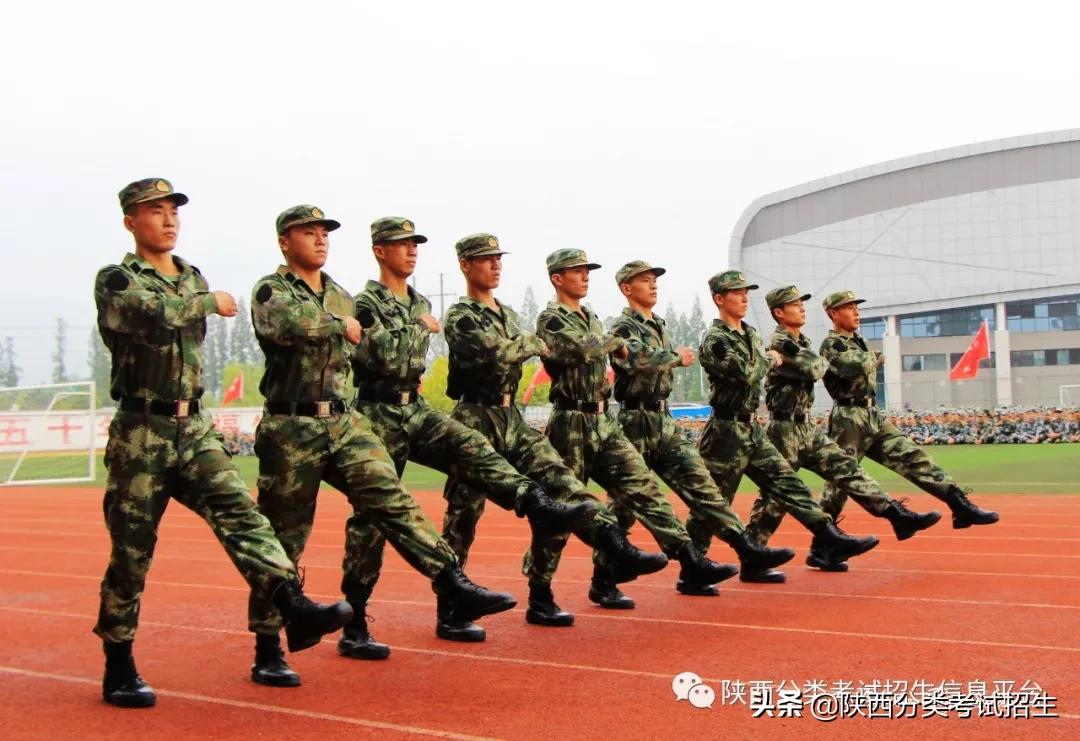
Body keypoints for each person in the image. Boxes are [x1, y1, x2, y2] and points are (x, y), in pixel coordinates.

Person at [94, 181, 353, 708]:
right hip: (141, 431)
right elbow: (147, 311)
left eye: (172, 212)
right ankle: (118, 662)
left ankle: (291, 605)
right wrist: (205, 302)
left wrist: (199, 297)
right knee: (132, 552)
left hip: (194, 427)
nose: (168, 221)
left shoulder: (190, 276)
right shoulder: (117, 278)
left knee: (244, 516)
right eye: (155, 212)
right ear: (130, 222)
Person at [247, 206, 519, 678]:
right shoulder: (273, 289)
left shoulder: (339, 294)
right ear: (284, 243)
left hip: (341, 421)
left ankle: (451, 581)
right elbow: (291, 325)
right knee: (285, 537)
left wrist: (380, 328)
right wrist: (344, 326)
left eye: (323, 233)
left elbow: (369, 348)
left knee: (391, 498)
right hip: (290, 428)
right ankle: (269, 647)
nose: (319, 240)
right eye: (307, 233)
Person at [348, 218, 594, 642]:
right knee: (372, 519)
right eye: (400, 244)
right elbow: (379, 358)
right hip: (377, 413)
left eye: (414, 244)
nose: (411, 251)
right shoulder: (366, 303)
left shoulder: (420, 300)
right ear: (379, 251)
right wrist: (418, 328)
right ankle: (355, 619)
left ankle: (533, 503)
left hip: (420, 408)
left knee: (472, 451)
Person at [441, 235, 668, 632]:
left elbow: (525, 348)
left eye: (498, 259)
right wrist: (528, 343)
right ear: (465, 265)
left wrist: (525, 344)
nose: (495, 266)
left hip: (510, 413)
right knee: (464, 514)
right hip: (474, 415)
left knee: (561, 485)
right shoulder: (461, 315)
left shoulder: (508, 315)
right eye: (485, 260)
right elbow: (502, 353)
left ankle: (611, 546)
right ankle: (451, 605)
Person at [536, 249, 736, 610]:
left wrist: (621, 347)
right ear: (557, 278)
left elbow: (617, 352)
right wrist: (619, 345)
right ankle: (540, 591)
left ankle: (688, 558)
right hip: (571, 422)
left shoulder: (591, 317)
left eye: (586, 271)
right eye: (577, 271)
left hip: (603, 419)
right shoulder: (552, 319)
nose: (585, 276)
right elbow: (585, 350)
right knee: (563, 510)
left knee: (642, 486)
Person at [607, 261, 796, 595]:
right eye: (644, 281)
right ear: (626, 289)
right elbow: (635, 360)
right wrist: (674, 357)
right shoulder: (621, 327)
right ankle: (603, 579)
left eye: (654, 281)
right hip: (634, 421)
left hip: (664, 419)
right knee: (625, 505)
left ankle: (743, 547)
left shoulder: (659, 324)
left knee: (702, 484)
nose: (653, 286)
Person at [691, 271, 880, 583]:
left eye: (745, 291)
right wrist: (771, 360)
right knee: (713, 502)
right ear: (719, 299)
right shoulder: (715, 340)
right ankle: (694, 566)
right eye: (736, 292)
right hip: (724, 432)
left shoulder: (750, 335)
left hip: (751, 428)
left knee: (788, 484)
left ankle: (827, 534)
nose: (743, 296)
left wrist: (769, 357)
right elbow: (747, 373)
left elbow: (772, 366)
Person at [746, 285, 941, 571]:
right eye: (795, 303)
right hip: (784, 428)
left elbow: (821, 365)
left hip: (806, 425)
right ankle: (753, 553)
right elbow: (817, 369)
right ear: (779, 312)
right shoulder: (779, 343)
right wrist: (838, 361)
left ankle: (895, 515)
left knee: (847, 469)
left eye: (802, 302)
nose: (802, 307)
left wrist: (829, 361)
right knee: (776, 497)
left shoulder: (801, 342)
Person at [817, 290, 998, 568]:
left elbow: (865, 364)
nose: (856, 312)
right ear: (833, 314)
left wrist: (872, 358)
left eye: (856, 307)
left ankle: (959, 505)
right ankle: (823, 545)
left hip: (871, 413)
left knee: (912, 456)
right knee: (841, 481)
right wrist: (873, 359)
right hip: (848, 416)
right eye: (849, 307)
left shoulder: (860, 341)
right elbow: (851, 368)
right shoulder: (831, 344)